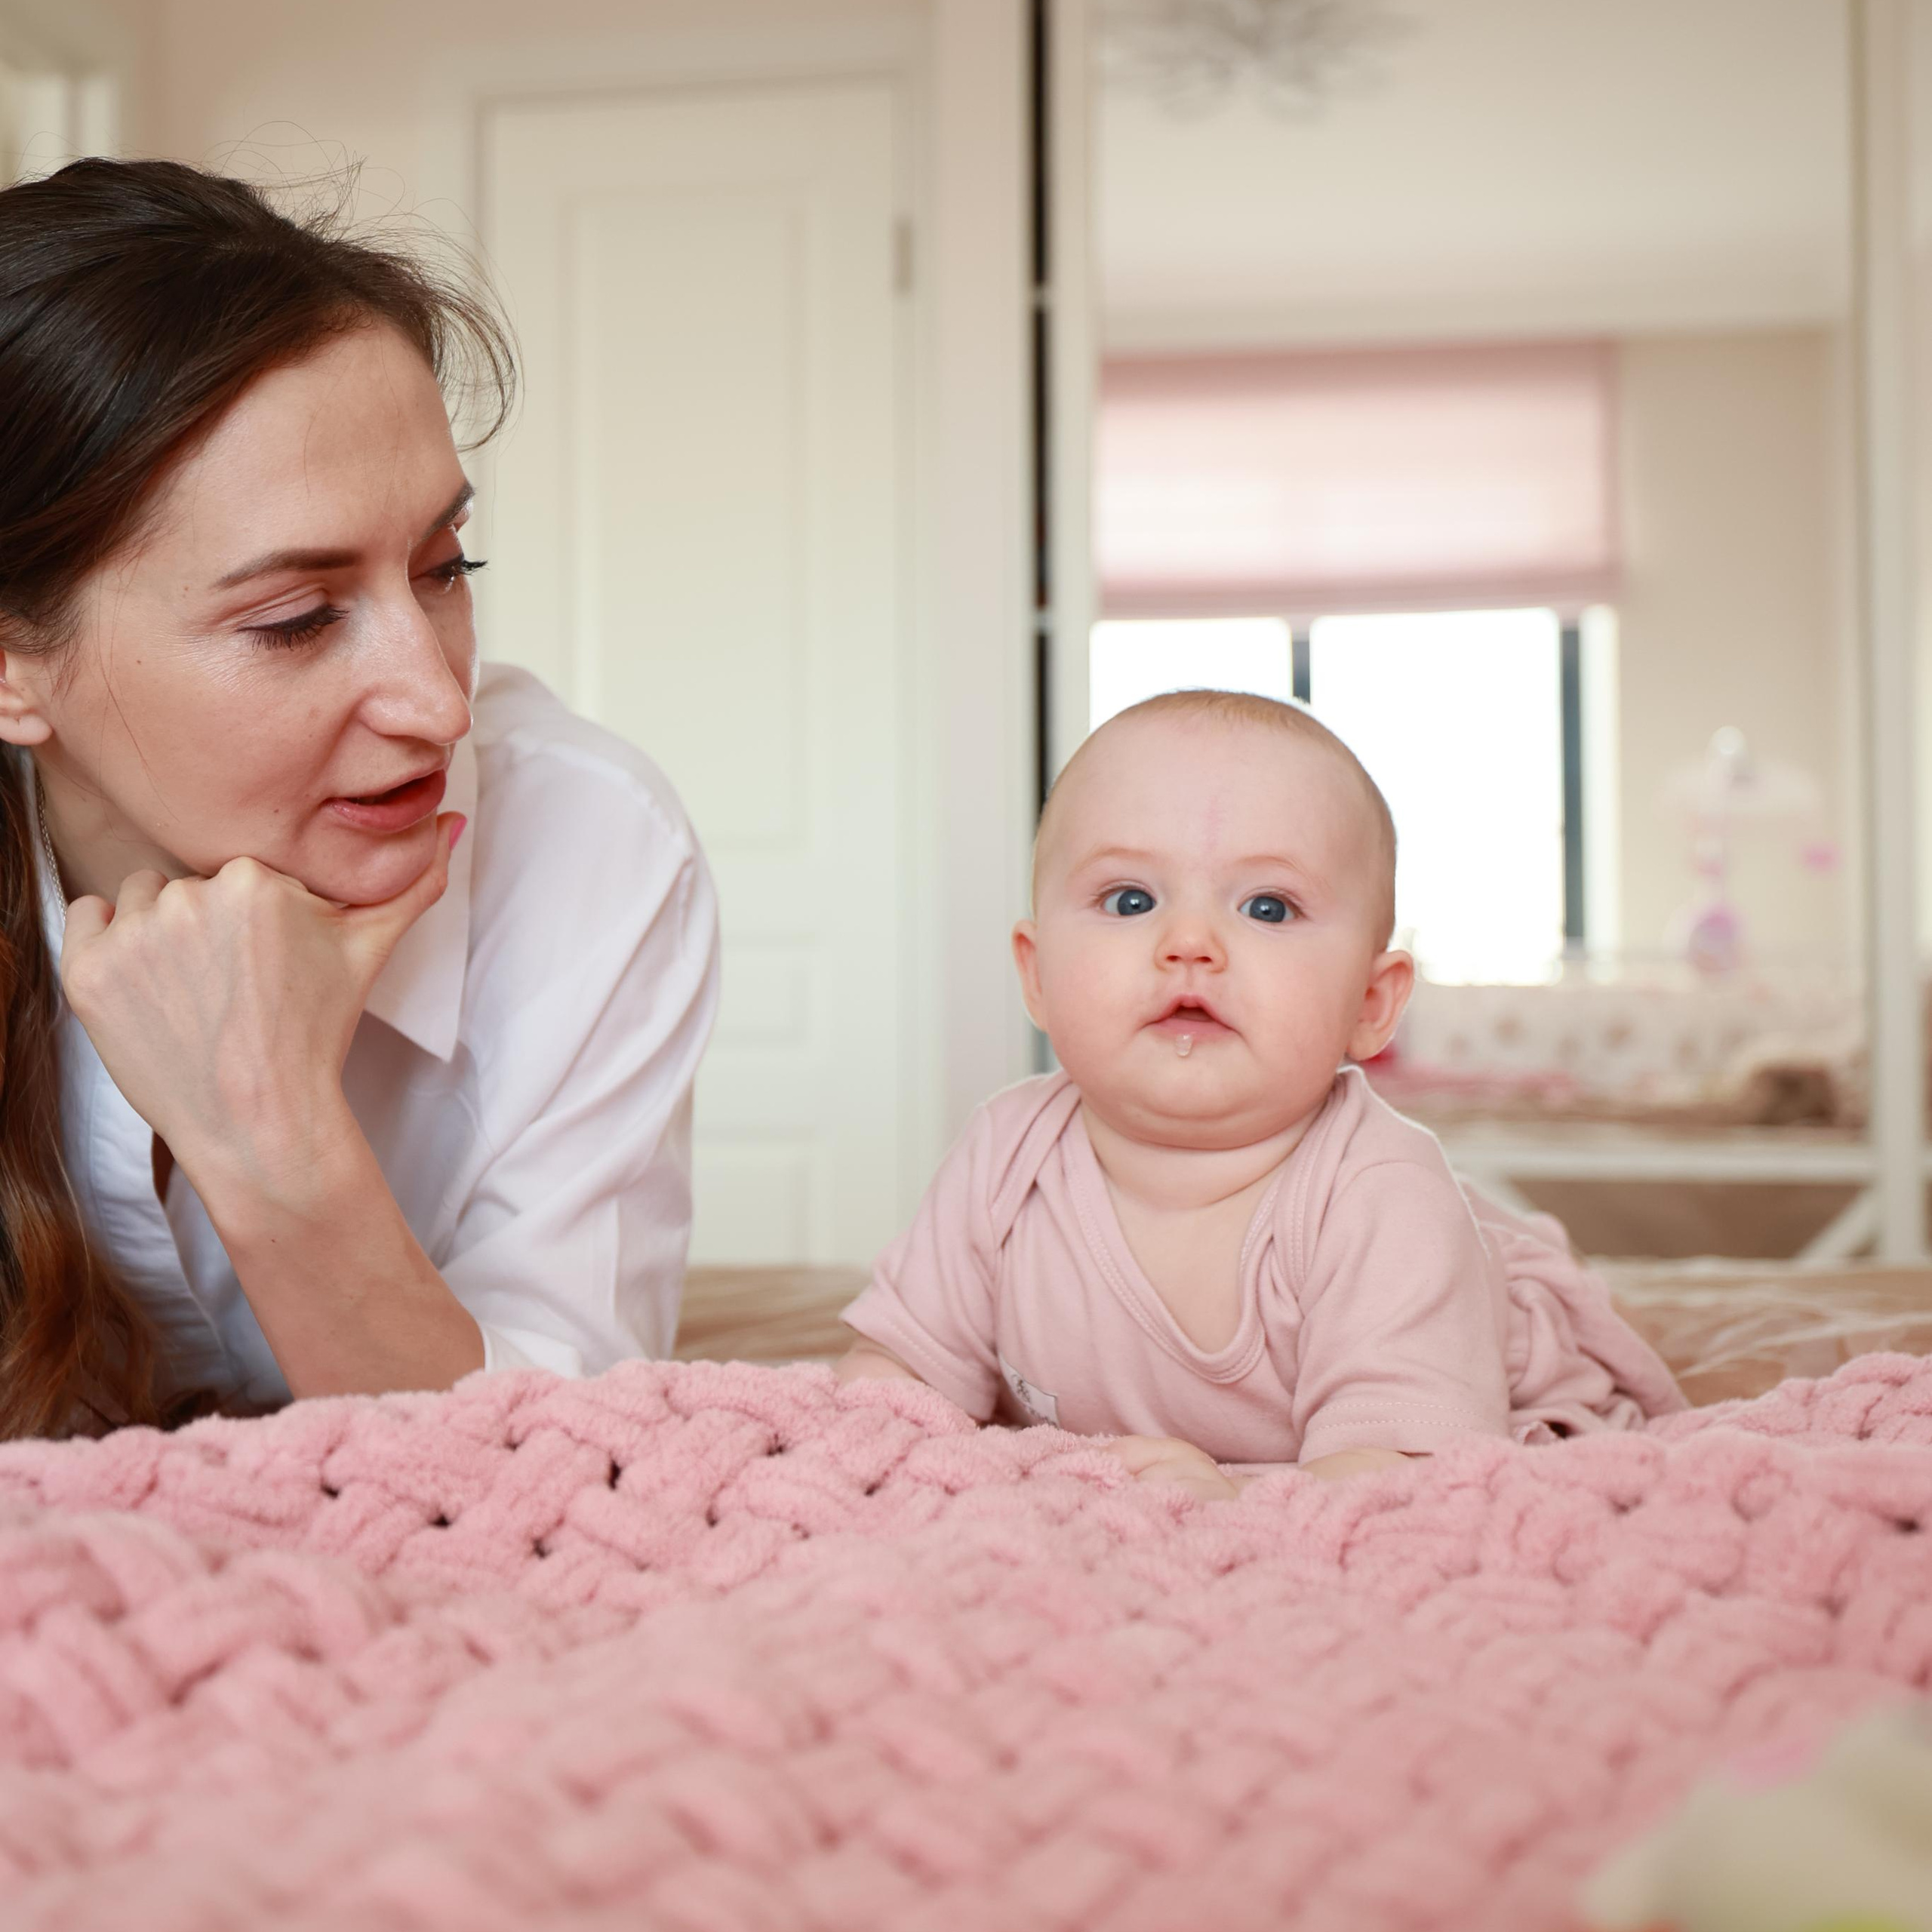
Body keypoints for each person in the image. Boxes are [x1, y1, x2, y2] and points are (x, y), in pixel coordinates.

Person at [0, 158, 718, 1438]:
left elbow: (553, 1473)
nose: (439, 703)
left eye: (446, 568)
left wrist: (272, 1141)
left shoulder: (589, 848)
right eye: (296, 618)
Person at [838, 689, 1683, 1498]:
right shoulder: (1003, 1156)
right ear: (1037, 975)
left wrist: (1229, 1507)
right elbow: (896, 1378)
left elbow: (1405, 1481)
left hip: (1449, 1394)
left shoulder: (1380, 1196)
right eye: (1130, 899)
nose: (1189, 942)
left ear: (1370, 1003)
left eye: (1268, 908)